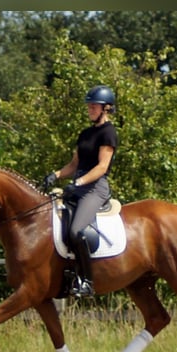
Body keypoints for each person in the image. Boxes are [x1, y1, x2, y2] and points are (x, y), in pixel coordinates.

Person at [43, 85, 118, 297]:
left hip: (95, 189)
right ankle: (67, 274)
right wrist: (56, 175)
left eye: (94, 106)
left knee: (76, 230)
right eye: (89, 106)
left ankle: (87, 281)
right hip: (79, 185)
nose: (90, 110)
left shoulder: (108, 133)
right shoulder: (85, 133)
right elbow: (74, 164)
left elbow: (102, 167)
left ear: (106, 108)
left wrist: (78, 183)